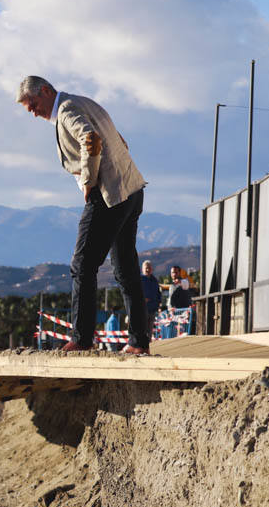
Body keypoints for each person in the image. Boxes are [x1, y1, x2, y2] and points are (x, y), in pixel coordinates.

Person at [15, 76, 150, 355]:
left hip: (108, 194)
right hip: (132, 189)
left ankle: (82, 339)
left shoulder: (65, 110)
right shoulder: (84, 101)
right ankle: (138, 342)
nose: (31, 112)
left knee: (82, 265)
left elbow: (91, 138)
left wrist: (89, 182)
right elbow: (121, 141)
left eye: (33, 104)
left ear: (46, 90)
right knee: (125, 269)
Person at [140, 260, 162, 333]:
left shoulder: (155, 280)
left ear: (152, 269)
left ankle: (148, 343)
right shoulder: (139, 279)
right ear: (142, 269)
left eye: (149, 268)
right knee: (142, 330)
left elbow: (158, 293)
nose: (147, 269)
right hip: (142, 309)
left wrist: (158, 303)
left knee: (149, 331)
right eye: (146, 268)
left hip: (152, 309)